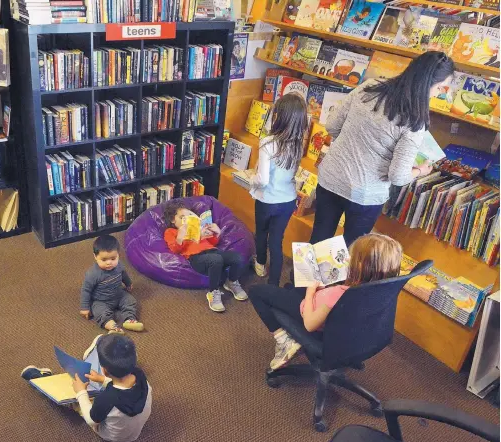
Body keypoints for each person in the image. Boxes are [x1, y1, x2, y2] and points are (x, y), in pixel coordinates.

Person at [310, 51, 455, 247]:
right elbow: (398, 176)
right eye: (441, 87)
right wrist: (420, 170)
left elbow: (332, 125)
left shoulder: (369, 87)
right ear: (430, 85)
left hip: (331, 177)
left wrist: (354, 142)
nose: (439, 93)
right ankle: (341, 279)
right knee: (353, 251)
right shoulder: (414, 121)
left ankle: (302, 278)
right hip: (365, 193)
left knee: (319, 240)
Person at [249, 233, 403, 370]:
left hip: (309, 314)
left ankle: (284, 340)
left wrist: (310, 294)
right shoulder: (381, 290)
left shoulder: (337, 295)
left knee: (256, 292)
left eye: (352, 258)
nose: (348, 259)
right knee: (294, 278)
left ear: (362, 266)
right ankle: (294, 291)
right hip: (349, 333)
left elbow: (309, 324)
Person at [21, 334, 152, 442]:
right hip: (134, 433)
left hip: (111, 435)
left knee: (76, 399)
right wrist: (102, 379)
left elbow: (91, 420)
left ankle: (42, 380)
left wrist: (81, 392)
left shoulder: (106, 399)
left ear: (105, 370)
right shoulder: (141, 376)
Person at [250, 94, 308, 286]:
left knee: (261, 233)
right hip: (288, 200)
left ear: (278, 116)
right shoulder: (299, 143)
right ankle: (274, 281)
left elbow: (263, 179)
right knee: (276, 241)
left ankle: (260, 265)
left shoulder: (268, 143)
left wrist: (251, 179)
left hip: (267, 200)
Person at [163, 200, 248, 313]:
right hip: (197, 258)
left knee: (237, 257)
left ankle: (231, 282)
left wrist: (217, 233)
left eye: (190, 215)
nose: (187, 220)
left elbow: (212, 243)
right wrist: (180, 237)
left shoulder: (199, 228)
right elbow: (175, 249)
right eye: (182, 218)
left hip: (213, 252)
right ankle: (213, 292)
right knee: (215, 260)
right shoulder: (171, 231)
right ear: (174, 220)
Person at [80, 235, 144, 333]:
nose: (109, 263)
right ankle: (112, 326)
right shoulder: (93, 274)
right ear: (95, 256)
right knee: (99, 311)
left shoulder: (119, 265)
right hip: (101, 300)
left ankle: (130, 320)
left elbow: (123, 274)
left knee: (131, 301)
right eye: (104, 260)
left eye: (113, 259)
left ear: (118, 254)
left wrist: (128, 283)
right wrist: (84, 307)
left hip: (119, 294)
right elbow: (86, 290)